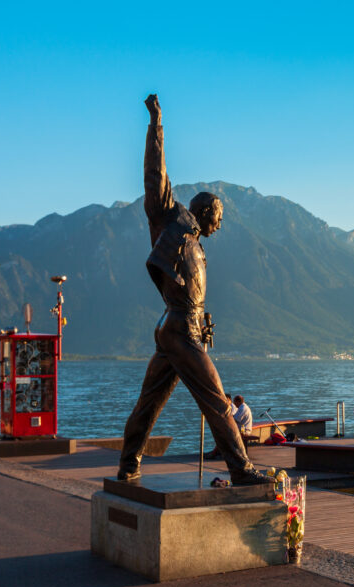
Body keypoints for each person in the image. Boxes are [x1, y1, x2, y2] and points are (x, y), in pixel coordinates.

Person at [116, 94, 271, 485]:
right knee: (216, 400)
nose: (220, 224)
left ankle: (129, 462)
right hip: (178, 329)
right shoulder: (171, 221)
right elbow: (156, 176)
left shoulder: (195, 246)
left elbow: (186, 291)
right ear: (206, 212)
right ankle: (241, 470)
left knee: (149, 404)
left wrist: (201, 320)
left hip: (180, 327)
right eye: (219, 217)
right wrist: (156, 125)